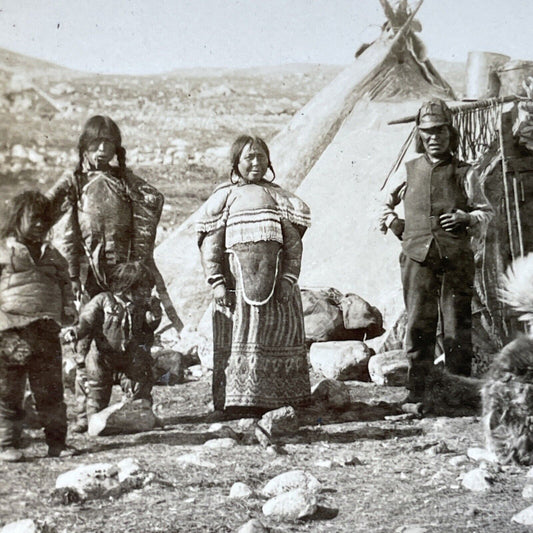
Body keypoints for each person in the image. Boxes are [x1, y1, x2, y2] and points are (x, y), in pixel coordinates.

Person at [46, 115, 172, 433]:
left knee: (136, 336)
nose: (103, 150)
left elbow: (153, 199)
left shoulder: (124, 179)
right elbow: (46, 209)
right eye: (96, 143)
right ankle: (83, 414)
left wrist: (137, 253)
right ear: (84, 146)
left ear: (117, 146)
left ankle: (139, 405)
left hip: (126, 274)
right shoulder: (74, 180)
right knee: (86, 341)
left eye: (109, 143)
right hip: (87, 274)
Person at [379, 98, 494, 409]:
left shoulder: (465, 172)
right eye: (428, 132)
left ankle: (459, 394)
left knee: (457, 326)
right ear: (420, 134)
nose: (434, 137)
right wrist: (394, 223)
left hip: (455, 258)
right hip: (417, 258)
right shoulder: (407, 170)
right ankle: (418, 391)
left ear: (449, 133)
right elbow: (382, 205)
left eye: (440, 131)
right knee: (418, 324)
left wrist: (466, 218)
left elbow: (486, 213)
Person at [197, 135, 311, 414]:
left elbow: (294, 245)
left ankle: (283, 399)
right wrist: (217, 283)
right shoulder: (225, 197)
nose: (256, 163)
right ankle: (239, 403)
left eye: (261, 156)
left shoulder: (279, 197)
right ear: (236, 162)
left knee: (276, 336)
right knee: (240, 339)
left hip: (277, 290)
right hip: (237, 291)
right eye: (249, 157)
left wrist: (288, 279)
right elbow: (211, 245)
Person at [0, 191, 76, 462]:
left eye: (45, 220)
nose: (40, 225)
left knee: (51, 390)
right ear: (17, 218)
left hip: (45, 329)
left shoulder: (52, 253)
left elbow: (65, 282)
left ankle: (57, 443)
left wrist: (69, 308)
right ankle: (7, 444)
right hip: (11, 330)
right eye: (34, 220)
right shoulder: (4, 250)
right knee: (9, 390)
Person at [64, 261, 161, 421]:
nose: (147, 292)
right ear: (126, 287)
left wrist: (155, 314)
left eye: (149, 288)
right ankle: (85, 418)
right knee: (96, 395)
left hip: (129, 359)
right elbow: (87, 320)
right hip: (101, 358)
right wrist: (76, 332)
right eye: (142, 288)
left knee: (140, 387)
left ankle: (136, 412)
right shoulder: (103, 300)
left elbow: (149, 327)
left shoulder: (141, 306)